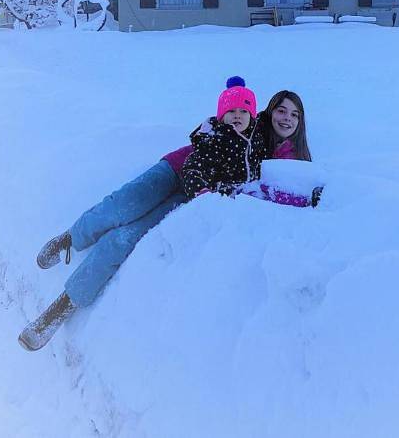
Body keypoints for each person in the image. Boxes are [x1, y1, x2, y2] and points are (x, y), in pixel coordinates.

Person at [18, 81, 312, 351]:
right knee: (121, 206)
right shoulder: (248, 122)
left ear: (301, 123)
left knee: (125, 239)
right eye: (280, 110)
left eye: (294, 115)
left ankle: (62, 308)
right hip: (177, 169)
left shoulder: (286, 158)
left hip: (193, 197)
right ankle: (71, 238)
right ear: (267, 111)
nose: (286, 118)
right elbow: (229, 109)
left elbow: (284, 192)